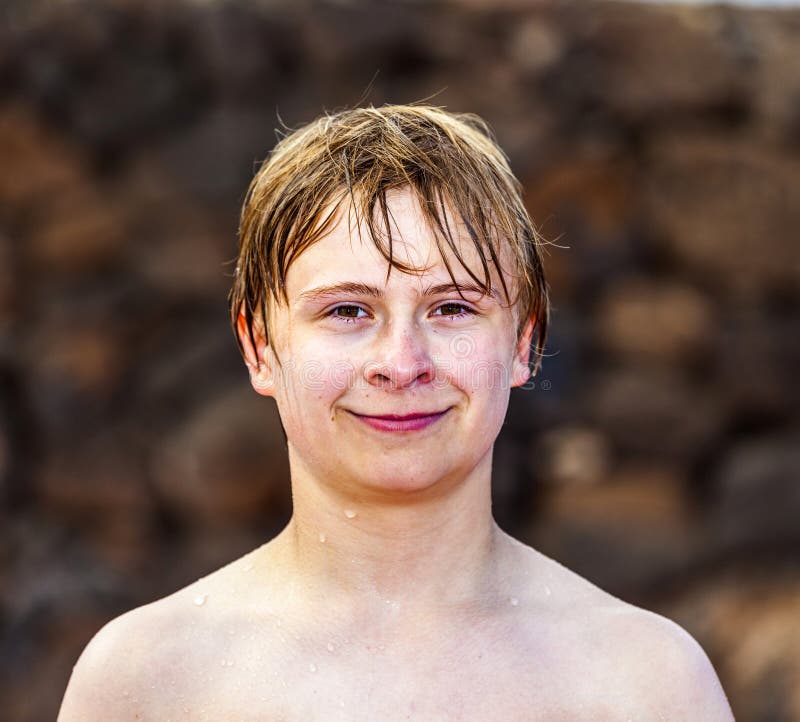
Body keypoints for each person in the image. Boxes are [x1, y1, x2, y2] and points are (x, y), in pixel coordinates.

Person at [58, 104, 734, 721]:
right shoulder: (145, 683)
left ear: (523, 343)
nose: (402, 361)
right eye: (348, 310)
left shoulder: (649, 684)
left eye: (452, 308)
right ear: (261, 347)